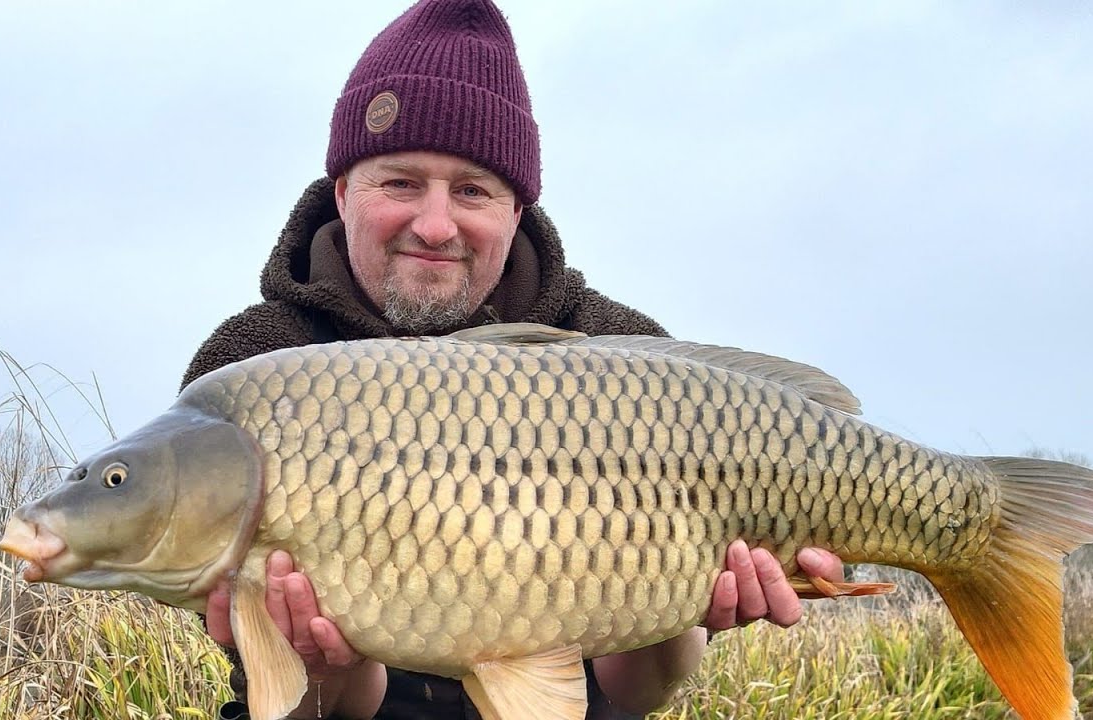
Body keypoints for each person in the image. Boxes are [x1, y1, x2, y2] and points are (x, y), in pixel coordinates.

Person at [180, 1, 844, 717]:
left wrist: (683, 610)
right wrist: (323, 665)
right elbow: (303, 700)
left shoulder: (622, 354)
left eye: (472, 191)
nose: (434, 226)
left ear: (516, 210)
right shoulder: (253, 369)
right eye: (401, 182)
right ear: (343, 193)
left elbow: (634, 693)